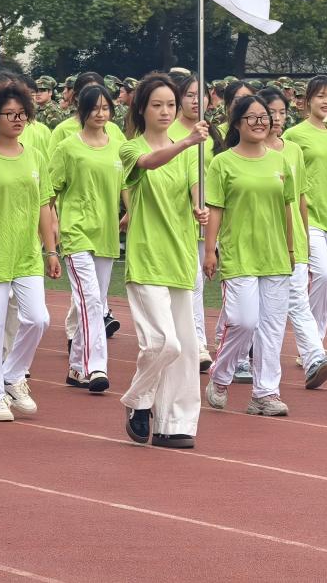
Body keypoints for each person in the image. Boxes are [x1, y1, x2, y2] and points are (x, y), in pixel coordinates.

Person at [119, 74, 209, 448]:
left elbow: (196, 192)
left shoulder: (190, 153)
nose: (165, 111)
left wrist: (200, 208)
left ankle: (176, 422)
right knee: (163, 343)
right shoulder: (129, 149)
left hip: (180, 256)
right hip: (146, 258)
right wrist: (187, 140)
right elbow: (150, 163)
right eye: (157, 105)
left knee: (185, 349)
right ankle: (138, 400)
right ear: (142, 108)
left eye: (171, 105)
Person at [0, 80, 59, 422]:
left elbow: (44, 206)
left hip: (27, 254)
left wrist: (51, 251)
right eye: (9, 114)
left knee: (38, 319)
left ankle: (12, 374)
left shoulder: (35, 157)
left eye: (22, 114)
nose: (17, 120)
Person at [203, 95, 295, 417]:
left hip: (275, 256)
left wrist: (291, 249)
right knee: (244, 321)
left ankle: (265, 393)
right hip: (239, 253)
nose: (260, 122)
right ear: (237, 123)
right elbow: (215, 209)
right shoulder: (222, 163)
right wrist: (210, 250)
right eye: (252, 117)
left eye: (264, 117)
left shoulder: (279, 161)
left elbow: (287, 208)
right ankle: (220, 375)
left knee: (272, 328)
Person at [50, 83, 124, 393]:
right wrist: (53, 228)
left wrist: (130, 214)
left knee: (93, 301)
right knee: (91, 299)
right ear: (81, 111)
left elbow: (127, 186)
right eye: (94, 108)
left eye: (105, 108)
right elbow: (50, 192)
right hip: (76, 232)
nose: (100, 113)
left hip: (106, 234)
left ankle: (77, 368)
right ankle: (96, 367)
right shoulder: (68, 147)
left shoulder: (118, 146)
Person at [261, 87, 327, 390]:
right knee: (255, 313)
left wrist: (301, 236)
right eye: (271, 113)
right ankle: (238, 359)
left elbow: (301, 198)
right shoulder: (246, 152)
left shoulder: (291, 150)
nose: (277, 118)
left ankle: (314, 357)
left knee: (298, 301)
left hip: (294, 240)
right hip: (262, 240)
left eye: (282, 112)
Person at [283, 76, 327, 350]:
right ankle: (310, 343)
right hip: (308, 216)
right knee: (321, 275)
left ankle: (315, 343)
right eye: (321, 96)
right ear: (307, 100)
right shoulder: (294, 135)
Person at [169, 74, 215, 370]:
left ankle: (192, 339)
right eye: (189, 95)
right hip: (179, 217)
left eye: (202, 95)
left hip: (210, 217)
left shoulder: (213, 134)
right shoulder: (170, 132)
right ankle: (197, 343)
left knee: (200, 282)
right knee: (193, 282)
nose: (196, 101)